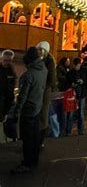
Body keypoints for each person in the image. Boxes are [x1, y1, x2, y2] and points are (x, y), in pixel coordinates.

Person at [8, 46, 47, 174]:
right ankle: (33, 160)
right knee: (35, 135)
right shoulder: (43, 70)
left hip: (29, 109)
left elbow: (22, 97)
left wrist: (16, 112)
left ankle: (27, 163)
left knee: (27, 138)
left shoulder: (29, 75)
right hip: (37, 106)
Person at [36, 40, 57, 144]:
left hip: (44, 90)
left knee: (43, 114)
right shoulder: (39, 59)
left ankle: (41, 139)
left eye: (41, 50)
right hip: (40, 89)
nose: (39, 51)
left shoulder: (49, 61)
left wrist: (46, 86)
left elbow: (52, 79)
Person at [65, 57, 87, 135]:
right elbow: (67, 82)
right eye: (76, 66)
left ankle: (80, 130)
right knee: (71, 113)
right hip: (73, 94)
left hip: (82, 94)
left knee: (81, 113)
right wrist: (72, 84)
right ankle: (68, 130)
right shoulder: (71, 72)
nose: (77, 67)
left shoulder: (85, 71)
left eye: (78, 65)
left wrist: (83, 82)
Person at [0, 49, 17, 125]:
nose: (7, 62)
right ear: (1, 59)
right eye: (5, 60)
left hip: (7, 99)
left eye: (9, 60)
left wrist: (13, 97)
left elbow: (14, 85)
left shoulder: (12, 70)